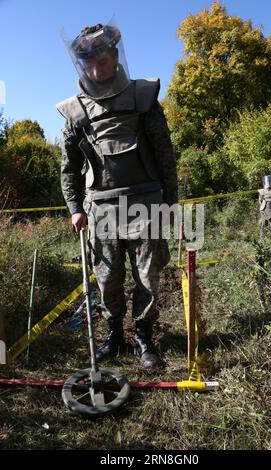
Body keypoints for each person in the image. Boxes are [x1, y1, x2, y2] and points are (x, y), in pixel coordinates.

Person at [56, 22, 178, 368]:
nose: (97, 70)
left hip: (146, 202)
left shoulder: (143, 98)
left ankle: (143, 336)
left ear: (115, 58)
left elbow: (165, 154)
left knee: (147, 277)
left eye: (103, 62)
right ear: (82, 65)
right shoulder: (76, 112)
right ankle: (114, 334)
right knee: (107, 277)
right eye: (90, 65)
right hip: (101, 208)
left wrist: (170, 201)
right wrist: (75, 207)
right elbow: (69, 167)